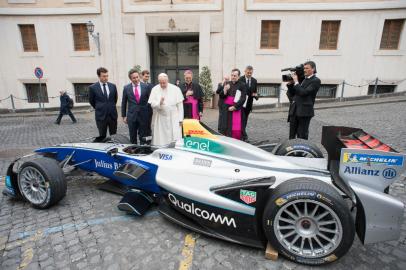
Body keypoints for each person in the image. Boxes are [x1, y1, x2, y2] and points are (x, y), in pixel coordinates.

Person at [286, 61, 321, 140]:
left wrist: (296, 82)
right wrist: (290, 84)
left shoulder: (315, 80)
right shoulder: (303, 80)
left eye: (307, 68)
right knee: (291, 135)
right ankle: (292, 150)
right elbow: (293, 94)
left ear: (313, 69)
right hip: (294, 110)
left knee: (302, 134)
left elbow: (304, 93)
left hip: (305, 112)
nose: (304, 70)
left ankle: (302, 151)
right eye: (304, 68)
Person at [148, 73, 184, 146]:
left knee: (174, 136)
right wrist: (159, 103)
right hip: (160, 118)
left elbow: (180, 106)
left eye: (164, 83)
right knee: (161, 137)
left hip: (174, 117)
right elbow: (151, 104)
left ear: (167, 80)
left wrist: (180, 119)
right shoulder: (154, 89)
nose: (162, 85)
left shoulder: (176, 89)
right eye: (160, 83)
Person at [121, 69, 152, 145]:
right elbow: (124, 102)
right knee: (132, 136)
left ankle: (143, 151)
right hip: (132, 116)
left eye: (137, 77)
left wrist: (150, 115)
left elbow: (150, 101)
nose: (136, 79)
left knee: (143, 136)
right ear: (130, 79)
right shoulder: (126, 88)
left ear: (139, 76)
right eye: (134, 78)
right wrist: (124, 116)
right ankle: (133, 151)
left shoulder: (146, 87)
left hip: (144, 115)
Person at [89, 67, 118, 142]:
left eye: (107, 76)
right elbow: (92, 101)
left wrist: (109, 107)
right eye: (104, 76)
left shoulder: (113, 86)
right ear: (99, 76)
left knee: (114, 136)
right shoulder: (92, 88)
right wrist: (101, 107)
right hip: (101, 116)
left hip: (112, 115)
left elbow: (115, 99)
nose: (106, 78)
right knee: (102, 136)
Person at [218, 69, 246, 140]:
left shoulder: (242, 85)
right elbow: (221, 96)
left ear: (238, 76)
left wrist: (235, 107)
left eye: (235, 75)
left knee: (235, 126)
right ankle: (226, 138)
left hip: (236, 108)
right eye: (232, 75)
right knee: (225, 124)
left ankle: (235, 139)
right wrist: (224, 90)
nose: (233, 77)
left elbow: (243, 98)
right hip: (226, 108)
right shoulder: (228, 84)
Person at [239, 65, 258, 141]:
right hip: (241, 104)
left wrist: (256, 95)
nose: (249, 74)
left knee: (245, 120)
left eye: (251, 73)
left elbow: (254, 92)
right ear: (245, 71)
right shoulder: (240, 79)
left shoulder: (254, 81)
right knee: (241, 119)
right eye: (248, 73)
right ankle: (244, 136)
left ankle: (242, 133)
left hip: (249, 104)